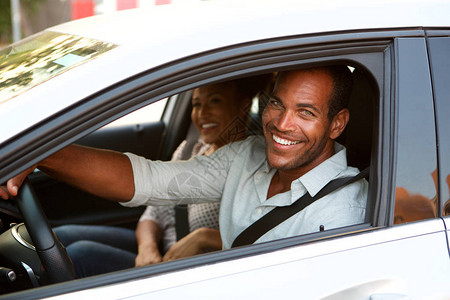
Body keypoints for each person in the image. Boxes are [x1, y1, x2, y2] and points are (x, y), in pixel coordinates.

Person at [1, 65, 368, 253]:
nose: (281, 124)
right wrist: (44, 153)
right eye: (276, 103)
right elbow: (149, 180)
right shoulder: (247, 156)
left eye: (305, 112)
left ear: (337, 123)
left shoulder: (342, 212)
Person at [41, 77, 270, 277]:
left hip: (188, 269)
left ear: (243, 106)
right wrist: (147, 247)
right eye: (196, 104)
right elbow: (153, 211)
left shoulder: (253, 165)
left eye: (215, 101)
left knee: (80, 255)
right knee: (62, 236)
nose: (202, 114)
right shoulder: (191, 148)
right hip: (158, 252)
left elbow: (263, 237)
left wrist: (204, 237)